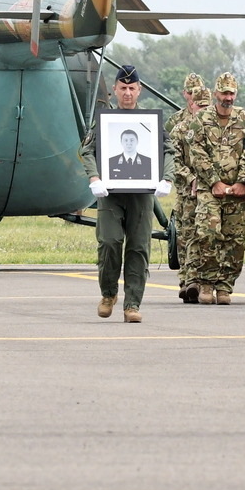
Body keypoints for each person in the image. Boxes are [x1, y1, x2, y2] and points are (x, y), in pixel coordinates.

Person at [82, 65, 172, 322]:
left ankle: (132, 304)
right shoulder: (104, 122)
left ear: (139, 90)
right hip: (111, 194)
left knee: (139, 247)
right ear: (115, 90)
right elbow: (87, 150)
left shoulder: (150, 124)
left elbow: (169, 150)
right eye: (123, 88)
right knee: (109, 242)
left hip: (141, 196)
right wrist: (94, 177)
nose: (128, 93)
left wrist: (167, 178)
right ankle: (108, 294)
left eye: (132, 88)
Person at [186, 72, 245, 304]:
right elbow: (197, 153)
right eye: (224, 93)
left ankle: (225, 286)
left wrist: (241, 182)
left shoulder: (244, 118)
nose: (228, 97)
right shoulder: (201, 119)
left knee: (236, 239)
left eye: (232, 93)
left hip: (237, 190)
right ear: (216, 93)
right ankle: (206, 282)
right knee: (208, 233)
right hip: (209, 189)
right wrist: (215, 181)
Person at [165, 73, 207, 302]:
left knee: (204, 235)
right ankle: (186, 280)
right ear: (185, 94)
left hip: (207, 190)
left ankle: (200, 280)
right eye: (190, 92)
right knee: (185, 235)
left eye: (197, 91)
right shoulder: (177, 123)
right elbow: (171, 154)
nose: (193, 96)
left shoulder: (210, 122)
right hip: (185, 190)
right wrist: (189, 178)